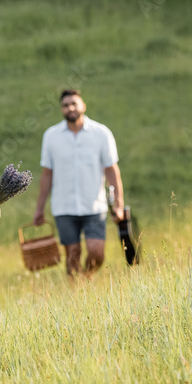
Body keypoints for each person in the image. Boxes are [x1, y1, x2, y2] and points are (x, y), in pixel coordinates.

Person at [33, 89, 123, 276]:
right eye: (66, 105)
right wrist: (40, 208)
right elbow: (47, 174)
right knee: (72, 255)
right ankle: (76, 293)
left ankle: (87, 278)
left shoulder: (101, 133)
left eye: (74, 103)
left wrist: (119, 204)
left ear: (83, 105)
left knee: (97, 253)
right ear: (61, 109)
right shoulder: (51, 136)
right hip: (63, 207)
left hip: (94, 206)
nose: (70, 108)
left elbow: (112, 171)